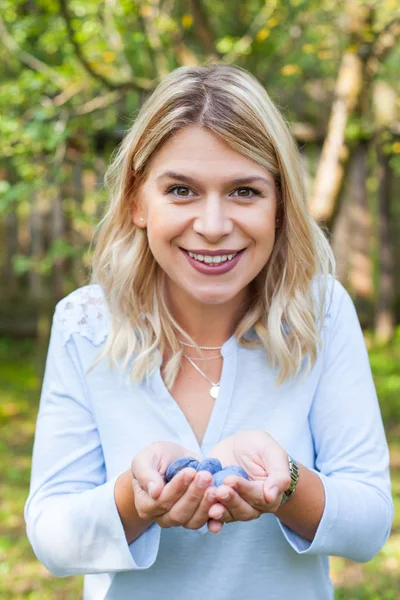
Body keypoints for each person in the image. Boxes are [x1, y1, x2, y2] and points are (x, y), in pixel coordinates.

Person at [24, 64, 394, 600]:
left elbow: (368, 527)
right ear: (137, 200)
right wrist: (135, 498)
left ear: (281, 203)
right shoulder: (86, 324)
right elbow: (52, 538)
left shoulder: (321, 313)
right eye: (181, 190)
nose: (214, 225)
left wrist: (285, 484)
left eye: (244, 191)